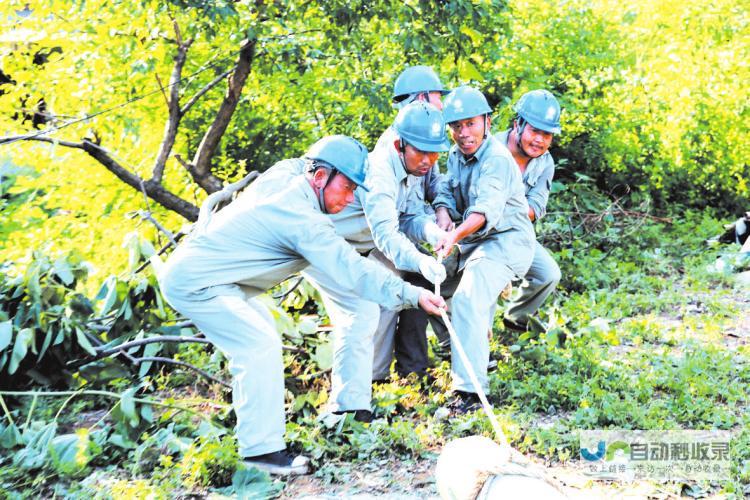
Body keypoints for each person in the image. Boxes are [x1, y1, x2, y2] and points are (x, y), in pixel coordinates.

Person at [158, 135, 446, 476]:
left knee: (263, 334)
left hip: (220, 280)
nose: (351, 199)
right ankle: (261, 455)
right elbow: (353, 270)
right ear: (321, 177)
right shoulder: (300, 217)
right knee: (258, 344)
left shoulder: (293, 185)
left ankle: (324, 419)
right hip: (196, 281)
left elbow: (296, 164)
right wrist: (413, 294)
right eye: (348, 188)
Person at [426, 86, 535, 412]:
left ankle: (470, 393)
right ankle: (464, 349)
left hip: (506, 242)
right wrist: (444, 215)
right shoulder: (455, 156)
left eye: (471, 124)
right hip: (473, 242)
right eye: (456, 126)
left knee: (469, 297)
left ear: (487, 122)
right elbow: (445, 191)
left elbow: (484, 211)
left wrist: (454, 235)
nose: (464, 133)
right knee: (423, 282)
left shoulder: (498, 160)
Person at [496, 90, 562, 331]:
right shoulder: (490, 149)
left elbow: (535, 207)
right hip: (477, 235)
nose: (539, 140)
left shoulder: (545, 162)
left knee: (549, 274)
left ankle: (515, 319)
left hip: (516, 234)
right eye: (535, 131)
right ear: (518, 125)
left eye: (547, 134)